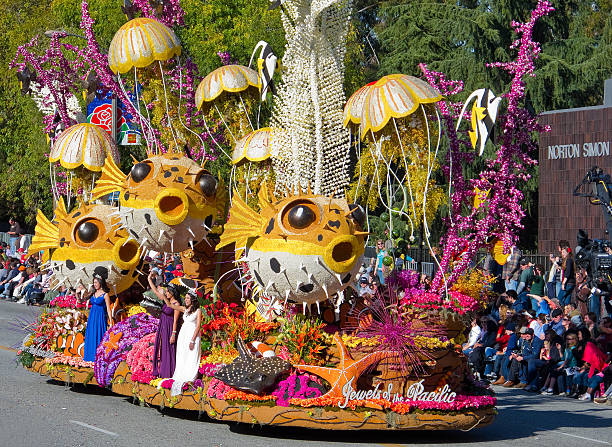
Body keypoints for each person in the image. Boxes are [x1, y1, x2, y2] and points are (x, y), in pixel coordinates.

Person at [161, 289, 202, 395]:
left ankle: (189, 376)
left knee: (192, 355)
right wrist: (163, 295)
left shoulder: (198, 311)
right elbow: (170, 305)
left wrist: (193, 340)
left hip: (192, 336)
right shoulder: (184, 309)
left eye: (188, 298)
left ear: (192, 300)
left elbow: (198, 326)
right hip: (183, 335)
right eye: (186, 298)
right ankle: (181, 373)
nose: (186, 300)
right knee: (182, 355)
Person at [147, 273, 181, 378]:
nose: (165, 293)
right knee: (163, 348)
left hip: (170, 328)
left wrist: (173, 334)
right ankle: (163, 371)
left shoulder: (176, 304)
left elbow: (175, 320)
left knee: (169, 349)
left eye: (167, 291)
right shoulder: (167, 301)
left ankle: (170, 372)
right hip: (163, 326)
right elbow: (156, 292)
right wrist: (149, 279)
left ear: (172, 293)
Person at [83, 276, 113, 362]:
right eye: (94, 283)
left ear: (100, 282)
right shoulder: (92, 293)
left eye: (96, 282)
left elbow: (108, 308)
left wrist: (110, 321)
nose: (94, 284)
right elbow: (82, 300)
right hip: (92, 316)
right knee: (91, 334)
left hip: (100, 317)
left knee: (99, 334)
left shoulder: (105, 294)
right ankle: (89, 355)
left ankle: (98, 356)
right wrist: (77, 293)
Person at [557, 241, 575, 307]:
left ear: (568, 252)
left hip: (568, 283)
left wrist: (563, 283)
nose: (562, 254)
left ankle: (561, 310)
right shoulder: (569, 260)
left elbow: (568, 272)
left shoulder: (569, 260)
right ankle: (567, 313)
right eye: (562, 252)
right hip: (571, 283)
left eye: (564, 252)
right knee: (567, 300)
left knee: (559, 299)